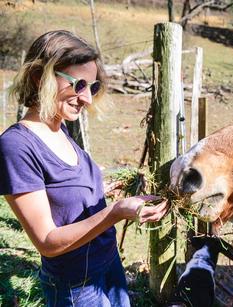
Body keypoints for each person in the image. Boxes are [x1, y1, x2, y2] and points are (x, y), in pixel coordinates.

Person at [0, 30, 170, 307]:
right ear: (39, 77)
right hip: (76, 285)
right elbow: (47, 242)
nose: (88, 98)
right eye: (79, 84)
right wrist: (115, 212)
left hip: (108, 264)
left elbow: (59, 196)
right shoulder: (17, 146)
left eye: (92, 87)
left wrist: (98, 188)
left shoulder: (59, 128)